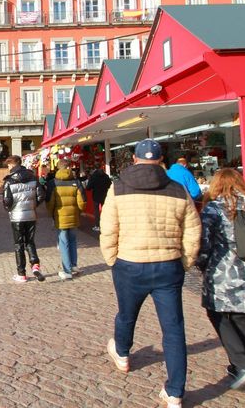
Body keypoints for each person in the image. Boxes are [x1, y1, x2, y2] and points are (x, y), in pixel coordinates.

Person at [98, 139, 201, 408]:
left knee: (126, 314)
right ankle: (175, 392)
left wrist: (111, 258)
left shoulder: (118, 187)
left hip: (130, 262)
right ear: (160, 159)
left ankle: (122, 352)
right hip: (168, 264)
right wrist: (185, 261)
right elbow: (193, 229)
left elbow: (108, 227)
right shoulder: (178, 189)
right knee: (174, 329)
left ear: (134, 159)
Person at [196, 168, 245, 390]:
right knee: (241, 317)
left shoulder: (213, 210)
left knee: (217, 313)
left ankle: (243, 364)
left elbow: (204, 243)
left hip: (223, 271)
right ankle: (238, 365)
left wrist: (200, 263)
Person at [2, 155, 46, 283]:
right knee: (30, 241)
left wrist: (9, 209)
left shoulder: (9, 181)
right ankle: (35, 264)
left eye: (9, 165)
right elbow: (41, 195)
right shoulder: (32, 177)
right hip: (31, 215)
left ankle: (21, 273)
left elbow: (7, 201)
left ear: (12, 165)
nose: (8, 167)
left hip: (17, 216)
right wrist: (33, 205)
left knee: (18, 244)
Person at [46, 160, 86, 280]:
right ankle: (73, 265)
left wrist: (52, 214)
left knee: (64, 243)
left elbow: (49, 202)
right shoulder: (76, 182)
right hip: (74, 215)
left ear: (58, 168)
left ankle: (67, 270)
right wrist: (78, 212)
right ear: (69, 167)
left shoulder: (53, 183)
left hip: (60, 216)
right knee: (73, 240)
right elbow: (82, 202)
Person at [85, 167, 112, 232]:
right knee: (105, 210)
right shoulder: (106, 176)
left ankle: (97, 225)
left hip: (96, 196)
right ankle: (106, 224)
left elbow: (88, 187)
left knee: (96, 211)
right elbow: (110, 185)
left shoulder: (94, 177)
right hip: (104, 195)